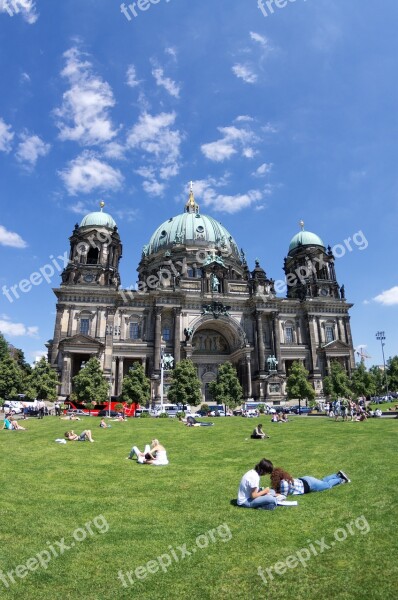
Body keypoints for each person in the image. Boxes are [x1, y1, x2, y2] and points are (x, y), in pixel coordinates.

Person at [270, 466, 350, 495]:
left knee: (327, 485)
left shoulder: (283, 483)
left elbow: (282, 495)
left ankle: (340, 479)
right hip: (306, 479)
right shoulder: (285, 479)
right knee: (322, 481)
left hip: (309, 485)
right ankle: (337, 475)